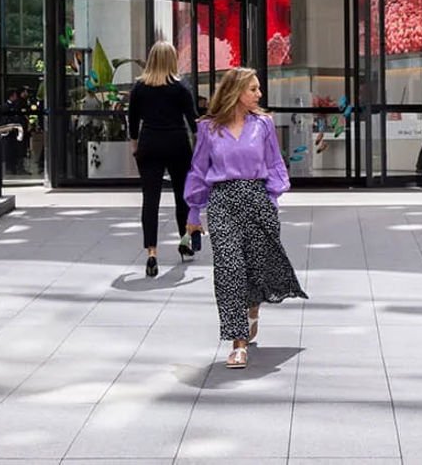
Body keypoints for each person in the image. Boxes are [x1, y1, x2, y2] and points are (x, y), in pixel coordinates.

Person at [184, 68, 308, 369]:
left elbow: (275, 163)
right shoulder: (208, 128)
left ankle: (252, 309)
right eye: (253, 89)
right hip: (223, 201)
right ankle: (237, 342)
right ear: (236, 91)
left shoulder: (263, 124)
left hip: (257, 200)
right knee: (229, 268)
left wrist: (272, 199)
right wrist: (193, 210)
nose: (259, 94)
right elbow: (199, 170)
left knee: (254, 267)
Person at [128, 41, 199, 277]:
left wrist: (136, 146)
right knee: (182, 196)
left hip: (149, 143)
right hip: (177, 144)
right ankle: (185, 239)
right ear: (172, 60)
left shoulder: (139, 87)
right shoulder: (180, 87)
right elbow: (193, 121)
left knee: (150, 200)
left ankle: (152, 254)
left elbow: (132, 122)